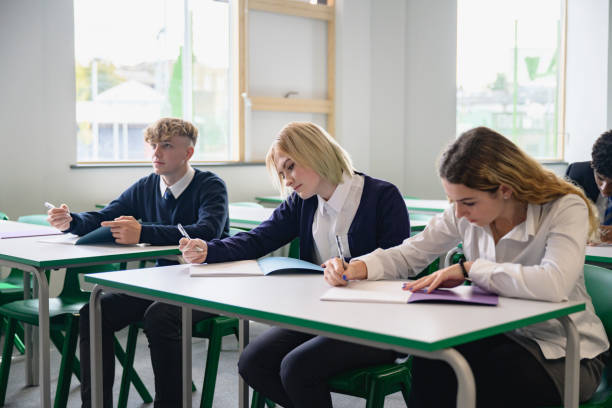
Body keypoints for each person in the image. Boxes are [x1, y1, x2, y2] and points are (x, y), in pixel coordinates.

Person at [328, 126, 609, 407]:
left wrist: (470, 269)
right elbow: (412, 252)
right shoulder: (463, 211)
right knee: (433, 359)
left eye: (468, 202)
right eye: (453, 201)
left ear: (505, 189)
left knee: (498, 376)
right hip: (502, 337)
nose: (459, 213)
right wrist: (358, 267)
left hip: (569, 353)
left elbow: (554, 282)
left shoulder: (563, 207)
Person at [180, 121, 411, 408]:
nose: (287, 180)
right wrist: (207, 250)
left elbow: (400, 264)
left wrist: (354, 270)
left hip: (376, 323)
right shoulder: (303, 201)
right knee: (253, 362)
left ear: (315, 153)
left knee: (297, 368)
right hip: (321, 315)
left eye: (290, 167)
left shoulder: (382, 196)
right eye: (281, 172)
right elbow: (258, 239)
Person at [47, 117, 230, 407]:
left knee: (160, 315)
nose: (156, 153)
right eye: (153, 145)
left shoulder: (210, 186)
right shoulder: (146, 186)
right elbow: (104, 216)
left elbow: (208, 231)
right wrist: (72, 221)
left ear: (188, 153)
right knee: (94, 309)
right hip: (163, 283)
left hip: (207, 286)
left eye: (167, 146)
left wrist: (142, 232)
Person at [566, 129, 612, 241]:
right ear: (592, 165)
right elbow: (560, 216)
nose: (605, 190)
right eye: (600, 178)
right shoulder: (576, 174)